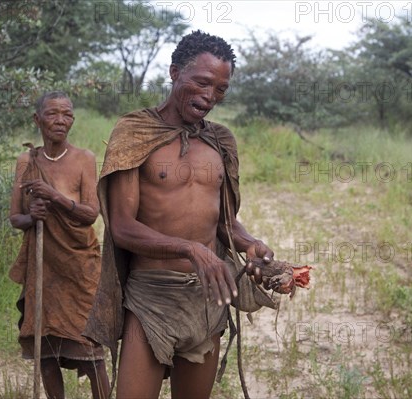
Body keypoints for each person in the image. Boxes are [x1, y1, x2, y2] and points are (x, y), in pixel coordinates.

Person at [83, 31, 276, 398]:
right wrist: (190, 249)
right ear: (174, 73)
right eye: (202, 82)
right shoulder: (136, 133)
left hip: (208, 298)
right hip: (151, 298)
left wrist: (250, 244)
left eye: (221, 89)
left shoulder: (220, 142)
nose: (210, 96)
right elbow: (122, 227)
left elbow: (223, 221)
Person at [9, 91, 110, 399]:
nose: (61, 121)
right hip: (44, 271)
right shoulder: (27, 161)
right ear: (37, 119)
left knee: (91, 353)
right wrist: (32, 216)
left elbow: (90, 214)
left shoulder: (84, 159)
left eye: (67, 115)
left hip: (80, 268)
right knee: (46, 352)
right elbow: (15, 217)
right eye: (53, 114)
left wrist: (53, 198)